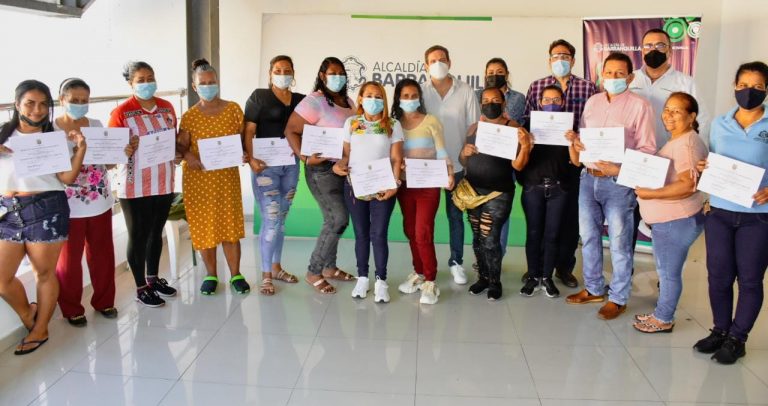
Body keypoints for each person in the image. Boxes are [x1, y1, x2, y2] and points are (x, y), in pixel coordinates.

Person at [565, 52, 656, 320]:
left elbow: (648, 147)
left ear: (630, 77)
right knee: (590, 237)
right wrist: (578, 142)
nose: (613, 78)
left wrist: (620, 168)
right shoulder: (592, 102)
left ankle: (618, 297)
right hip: (588, 178)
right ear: (601, 75)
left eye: (619, 74)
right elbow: (585, 135)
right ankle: (593, 288)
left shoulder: (640, 106)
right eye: (608, 73)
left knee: (618, 242)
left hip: (619, 182)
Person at [0, 80, 86, 354]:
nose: (37, 110)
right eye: (30, 103)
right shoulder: (2, 136)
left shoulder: (54, 138)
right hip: (8, 211)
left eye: (42, 104)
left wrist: (80, 149)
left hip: (47, 207)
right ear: (17, 105)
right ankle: (29, 315)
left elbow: (67, 179)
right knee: (2, 278)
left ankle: (41, 329)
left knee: (44, 273)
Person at [693, 61, 768, 364]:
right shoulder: (720, 123)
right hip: (720, 212)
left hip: (758, 216)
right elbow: (711, 159)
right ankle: (720, 331)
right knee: (718, 277)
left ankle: (738, 338)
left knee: (749, 280)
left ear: (766, 90)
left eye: (757, 86)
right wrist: (703, 168)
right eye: (743, 85)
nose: (748, 91)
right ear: (734, 87)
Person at [521, 39, 597, 288]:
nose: (560, 60)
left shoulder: (588, 88)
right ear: (549, 59)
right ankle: (538, 268)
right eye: (555, 56)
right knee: (539, 223)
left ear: (573, 60)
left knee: (568, 221)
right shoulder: (537, 86)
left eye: (565, 56)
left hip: (573, 161)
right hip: (541, 160)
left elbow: (594, 123)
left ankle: (564, 268)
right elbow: (526, 120)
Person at [632, 92, 707, 333]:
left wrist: (650, 194)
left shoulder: (687, 143)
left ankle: (663, 318)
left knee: (668, 273)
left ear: (691, 116)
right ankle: (661, 313)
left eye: (676, 111)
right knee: (667, 270)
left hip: (676, 220)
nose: (669, 115)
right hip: (672, 220)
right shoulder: (679, 140)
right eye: (667, 110)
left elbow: (688, 185)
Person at [54, 78, 124, 327]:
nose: (80, 105)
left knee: (103, 254)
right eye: (74, 100)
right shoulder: (51, 130)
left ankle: (105, 302)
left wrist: (120, 152)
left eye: (84, 101)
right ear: (62, 99)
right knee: (68, 260)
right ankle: (72, 308)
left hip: (100, 200)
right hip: (67, 205)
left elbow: (107, 164)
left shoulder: (95, 125)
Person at [177, 59, 249, 296]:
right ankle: (211, 274)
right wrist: (190, 156)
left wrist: (245, 153)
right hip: (199, 178)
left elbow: (241, 141)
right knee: (205, 227)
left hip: (226, 178)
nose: (208, 86)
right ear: (195, 86)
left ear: (218, 83)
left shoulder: (234, 109)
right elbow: (181, 147)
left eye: (212, 82)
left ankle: (236, 274)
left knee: (229, 225)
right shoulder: (190, 116)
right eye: (203, 83)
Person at [109, 61, 178, 307]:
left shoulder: (167, 107)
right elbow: (111, 150)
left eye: (150, 77)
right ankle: (140, 287)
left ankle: (153, 278)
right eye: (141, 79)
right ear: (131, 84)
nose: (147, 83)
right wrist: (125, 149)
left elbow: (173, 139)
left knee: (155, 233)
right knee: (137, 236)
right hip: (134, 184)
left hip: (163, 180)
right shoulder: (122, 112)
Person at [285, 56, 356, 294]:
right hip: (321, 170)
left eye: (341, 73)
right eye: (332, 73)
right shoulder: (314, 101)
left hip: (343, 169)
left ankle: (329, 268)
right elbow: (291, 130)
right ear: (323, 76)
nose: (337, 78)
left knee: (335, 219)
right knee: (337, 219)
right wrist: (305, 158)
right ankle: (314, 271)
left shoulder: (347, 101)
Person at [460, 87, 533, 300]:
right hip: (473, 191)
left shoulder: (514, 128)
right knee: (476, 238)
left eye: (495, 100)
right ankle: (482, 278)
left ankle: (495, 281)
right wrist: (464, 153)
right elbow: (464, 160)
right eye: (485, 100)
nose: (490, 103)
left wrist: (525, 146)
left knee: (490, 239)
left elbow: (518, 166)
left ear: (503, 104)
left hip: (498, 193)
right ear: (481, 104)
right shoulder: (474, 128)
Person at [333, 82, 403, 303]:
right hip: (355, 187)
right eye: (369, 95)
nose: (374, 100)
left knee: (378, 234)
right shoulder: (351, 123)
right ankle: (362, 277)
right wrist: (338, 166)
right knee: (361, 234)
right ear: (361, 98)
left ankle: (381, 280)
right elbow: (346, 155)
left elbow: (396, 158)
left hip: (384, 188)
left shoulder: (392, 124)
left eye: (378, 96)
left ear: (384, 99)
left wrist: (394, 184)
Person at [243, 55, 305, 295]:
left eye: (287, 70)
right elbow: (248, 129)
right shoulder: (259, 96)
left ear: (293, 73)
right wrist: (250, 159)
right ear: (270, 73)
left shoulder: (300, 100)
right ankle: (266, 275)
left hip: (290, 166)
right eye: (278, 70)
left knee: (280, 222)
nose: (283, 74)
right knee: (270, 221)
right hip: (265, 167)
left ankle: (277, 268)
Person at [422, 45, 480, 285]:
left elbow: (474, 126)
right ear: (426, 66)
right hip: (425, 167)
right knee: (424, 220)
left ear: (450, 62)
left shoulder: (465, 90)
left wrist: (467, 157)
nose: (438, 63)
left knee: (455, 217)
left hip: (456, 166)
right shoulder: (421, 92)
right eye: (433, 60)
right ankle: (424, 268)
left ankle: (456, 262)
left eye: (442, 59)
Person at [392, 79, 453, 305]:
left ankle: (430, 280)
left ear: (420, 98)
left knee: (422, 232)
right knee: (410, 230)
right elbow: (391, 154)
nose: (410, 100)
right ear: (398, 98)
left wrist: (449, 172)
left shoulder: (431, 121)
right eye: (405, 96)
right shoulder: (394, 124)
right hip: (405, 186)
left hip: (428, 185)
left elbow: (441, 151)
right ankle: (418, 273)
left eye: (413, 95)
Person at [517, 85, 578, 299]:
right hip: (533, 186)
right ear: (540, 102)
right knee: (533, 233)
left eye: (556, 99)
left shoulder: (570, 128)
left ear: (562, 102)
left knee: (552, 235)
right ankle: (533, 276)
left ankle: (547, 277)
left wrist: (572, 141)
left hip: (559, 188)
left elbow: (577, 162)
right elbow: (519, 164)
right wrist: (528, 145)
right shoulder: (528, 126)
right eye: (546, 99)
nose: (551, 102)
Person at [476, 57, 525, 261]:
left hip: (506, 166)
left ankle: (498, 255)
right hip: (482, 164)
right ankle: (482, 256)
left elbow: (521, 126)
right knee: (480, 214)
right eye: (490, 71)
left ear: (506, 73)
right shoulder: (477, 95)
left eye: (499, 71)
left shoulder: (518, 98)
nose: (494, 75)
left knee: (500, 214)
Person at [629, 28, 710, 148]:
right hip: (634, 154)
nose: (653, 50)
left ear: (670, 51)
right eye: (648, 46)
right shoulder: (630, 80)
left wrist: (699, 152)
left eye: (660, 45)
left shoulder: (686, 83)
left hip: (672, 154)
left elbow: (701, 121)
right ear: (642, 52)